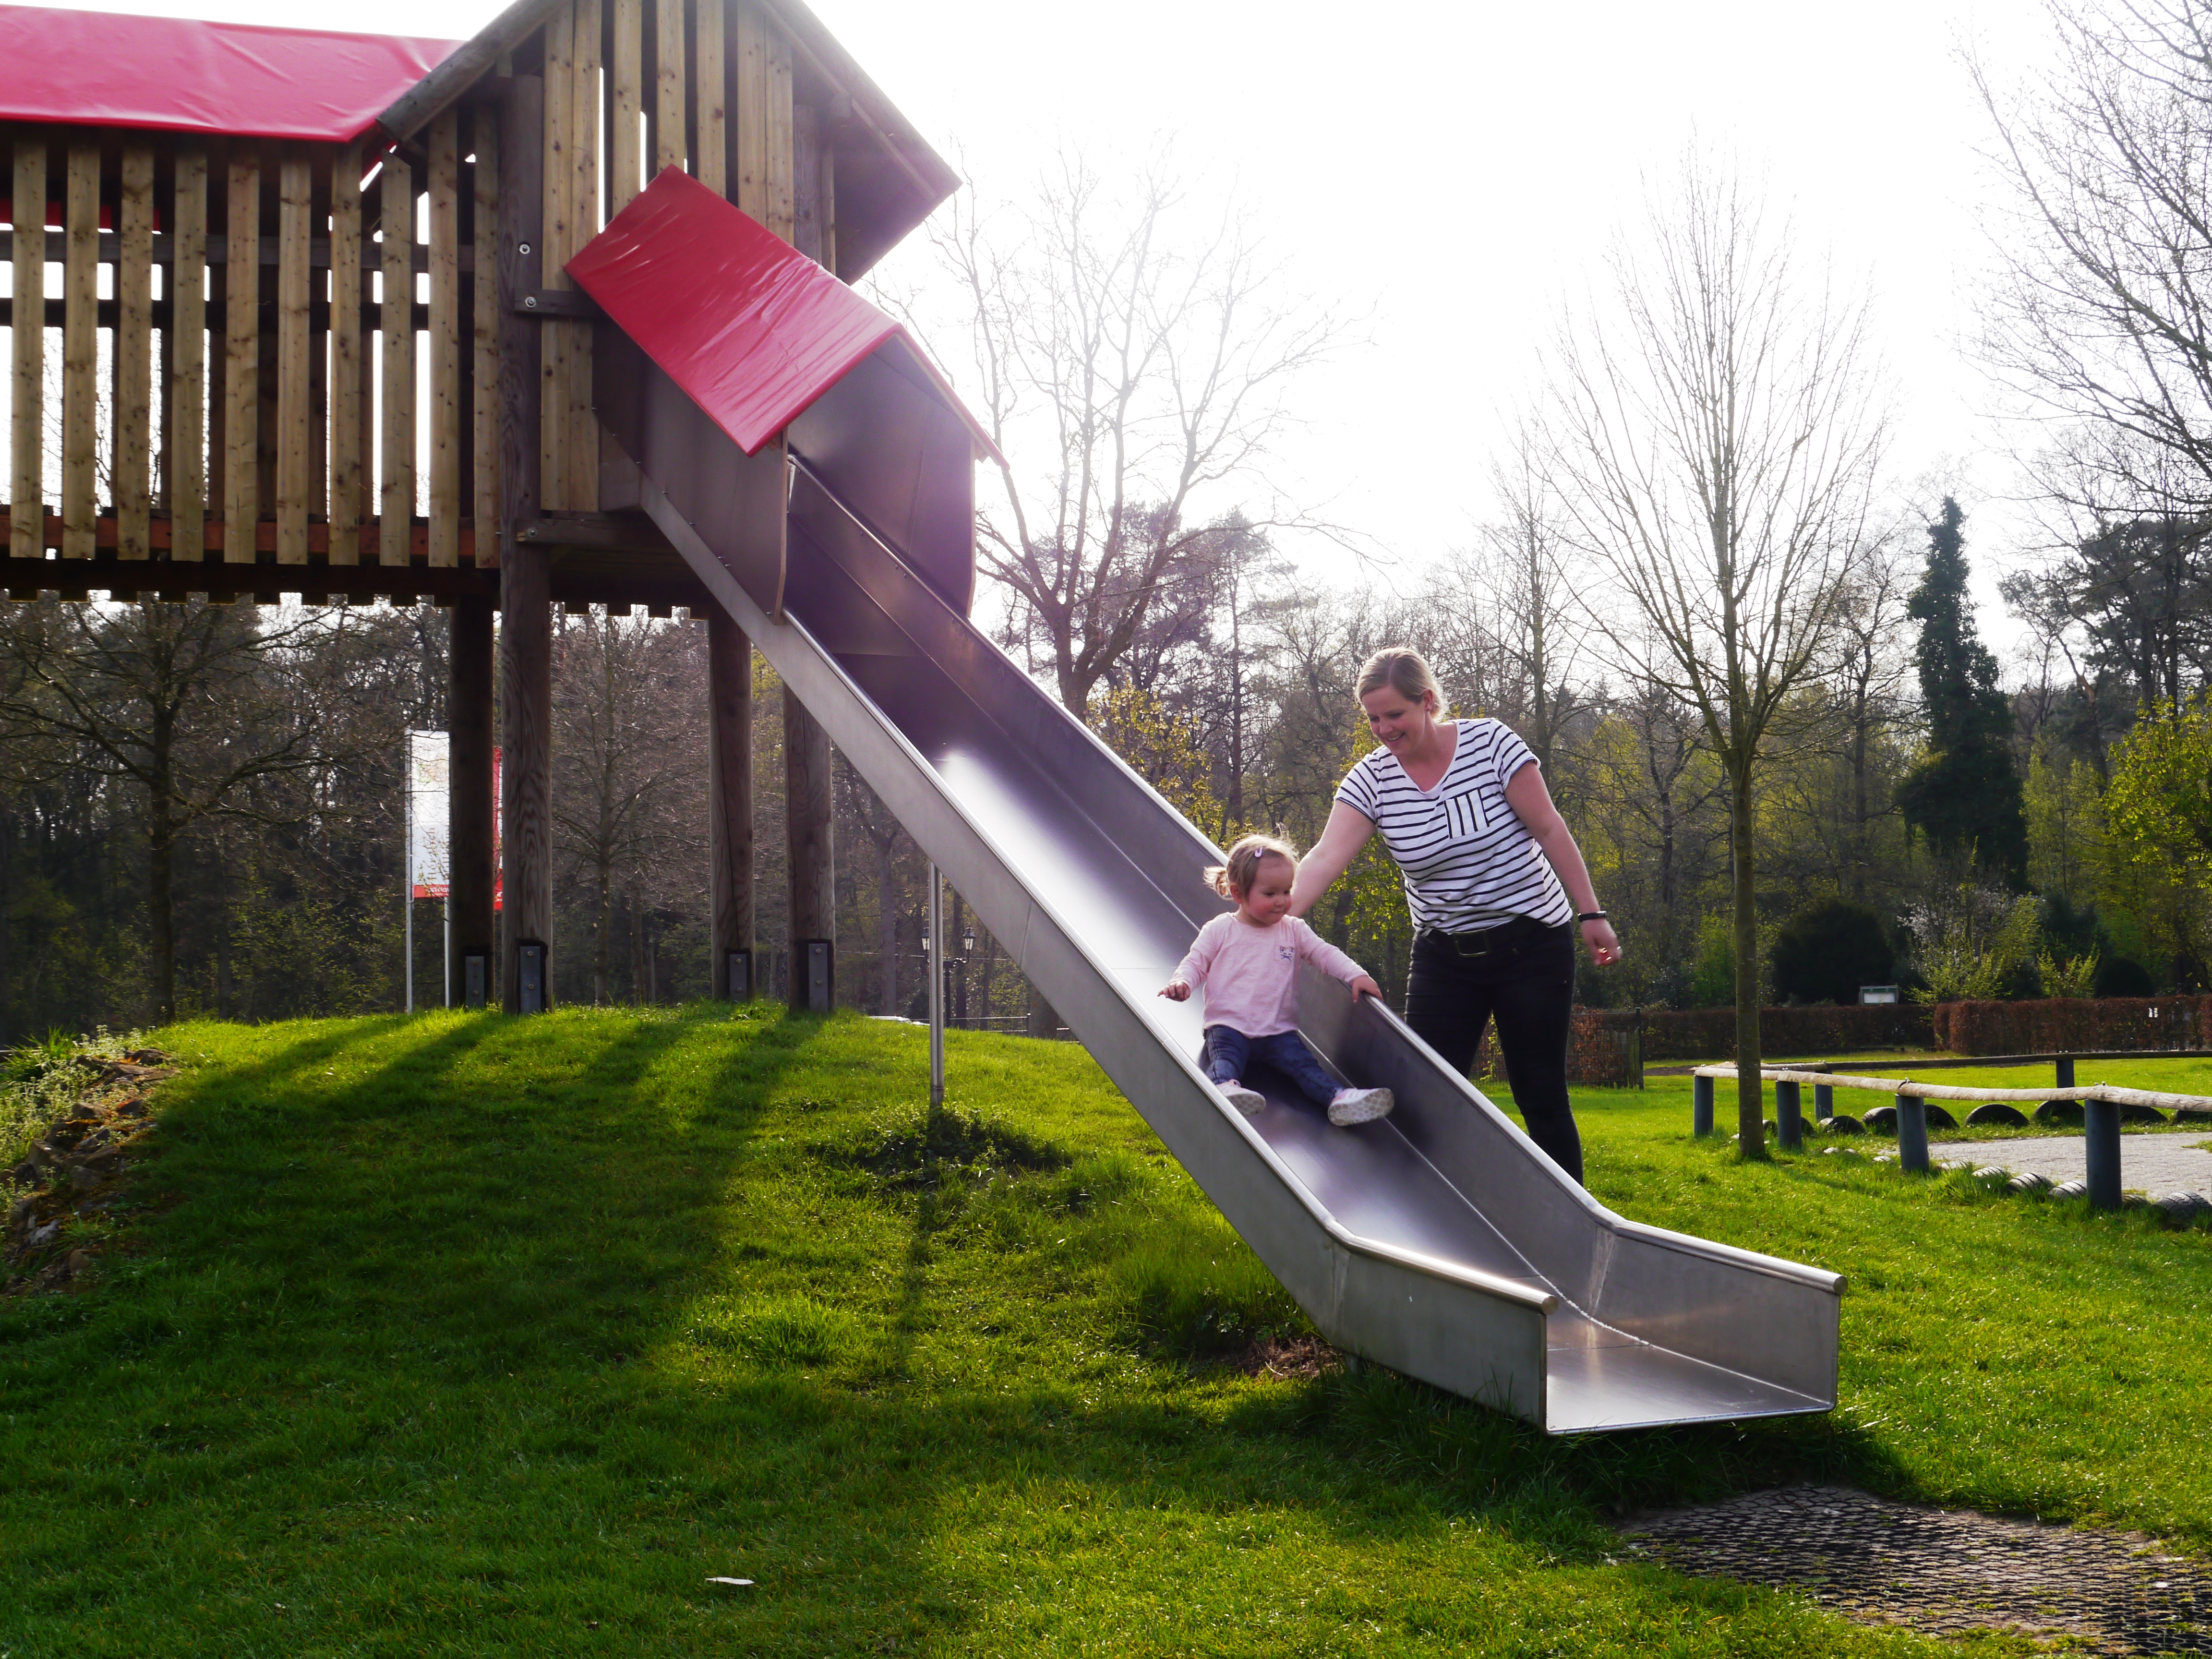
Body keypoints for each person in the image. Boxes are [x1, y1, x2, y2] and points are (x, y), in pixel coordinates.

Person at [1287, 648, 1622, 1183]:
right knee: (1426, 1093)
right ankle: (1425, 1213)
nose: (1384, 729)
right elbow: (1325, 858)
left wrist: (1591, 913)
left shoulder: (1491, 744)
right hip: (1445, 955)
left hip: (1532, 945)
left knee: (1539, 1094)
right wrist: (1266, 918)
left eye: (1394, 714)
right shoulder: (1372, 781)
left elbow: (1549, 829)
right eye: (1373, 718)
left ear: (1427, 701)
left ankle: (1576, 1222)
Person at [1160, 833, 1397, 1127]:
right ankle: (1224, 1088)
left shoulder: (1293, 930)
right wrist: (1183, 982)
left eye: (1286, 891)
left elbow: (1324, 953)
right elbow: (1196, 962)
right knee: (1225, 1060)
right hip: (1229, 1026)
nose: (1281, 901)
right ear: (1238, 894)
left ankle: (1339, 1098)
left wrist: (1356, 974)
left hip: (1278, 1033)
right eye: (1270, 894)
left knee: (1305, 1066)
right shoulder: (1220, 930)